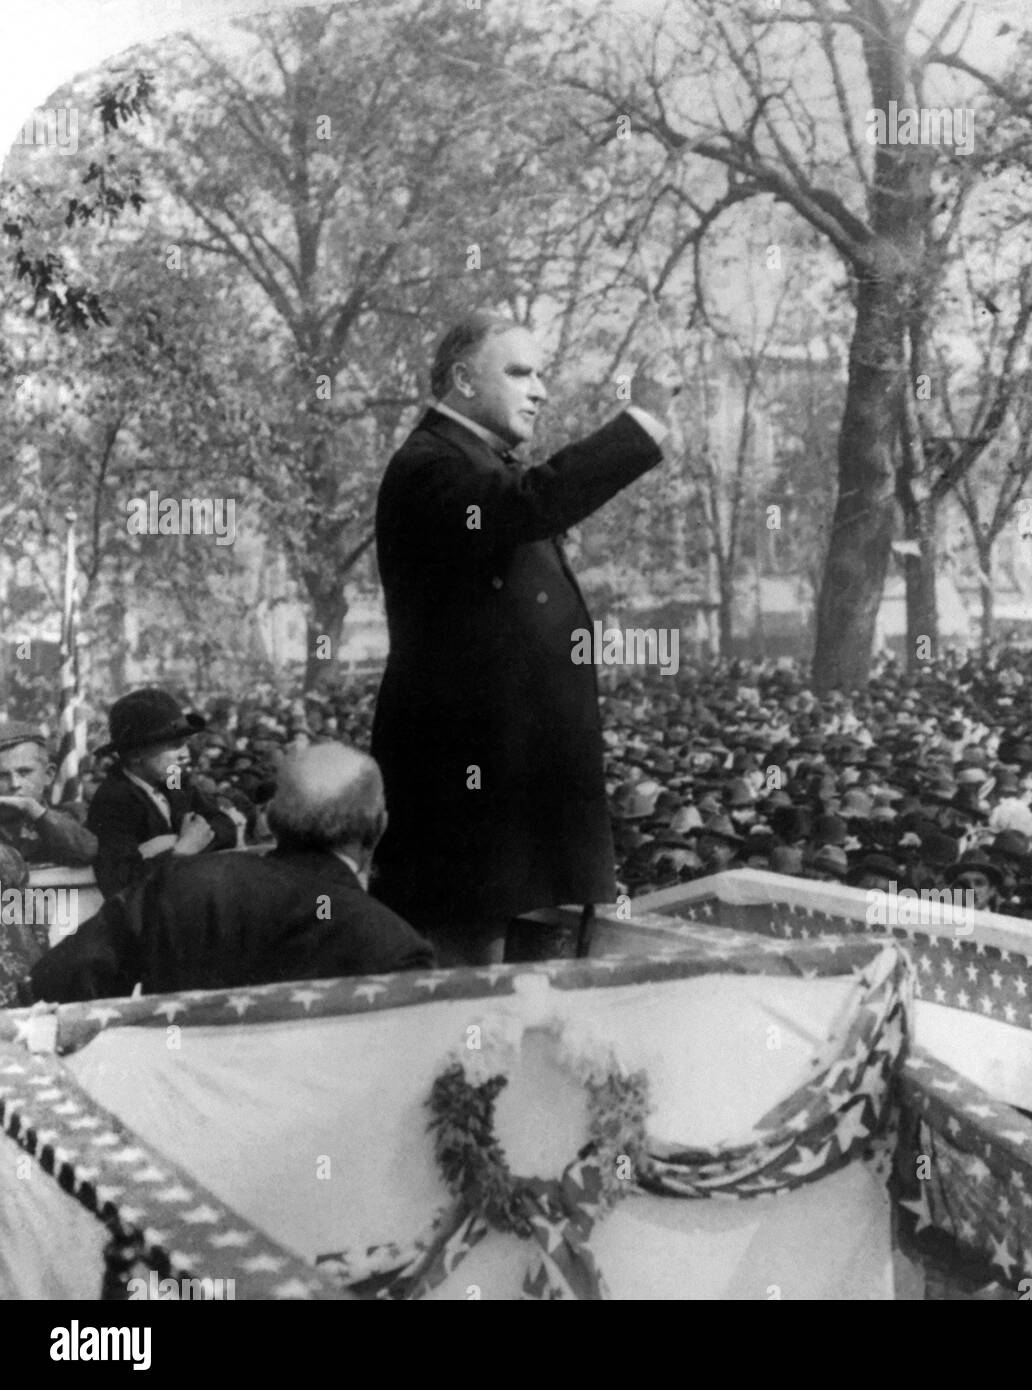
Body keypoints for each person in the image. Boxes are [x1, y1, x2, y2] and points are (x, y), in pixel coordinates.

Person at [370, 311, 679, 965]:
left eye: (542, 374)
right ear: (461, 379)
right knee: (464, 1013)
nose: (540, 390)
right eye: (519, 372)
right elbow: (528, 502)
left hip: (510, 812)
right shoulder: (431, 464)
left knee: (510, 1014)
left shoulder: (475, 464)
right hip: (469, 812)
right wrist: (641, 422)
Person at [29, 743, 434, 1002]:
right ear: (377, 826)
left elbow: (62, 976)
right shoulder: (396, 948)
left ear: (271, 819)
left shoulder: (181, 882)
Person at [86, 689, 240, 898]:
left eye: (185, 743)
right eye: (174, 745)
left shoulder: (174, 781)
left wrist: (175, 842)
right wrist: (182, 850)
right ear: (135, 755)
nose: (185, 753)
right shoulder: (114, 800)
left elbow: (225, 827)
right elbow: (121, 880)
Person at [0, 722, 97, 869]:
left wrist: (32, 809)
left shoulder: (77, 815)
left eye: (24, 772)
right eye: (2, 775)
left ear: (48, 775)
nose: (14, 783)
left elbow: (90, 851)